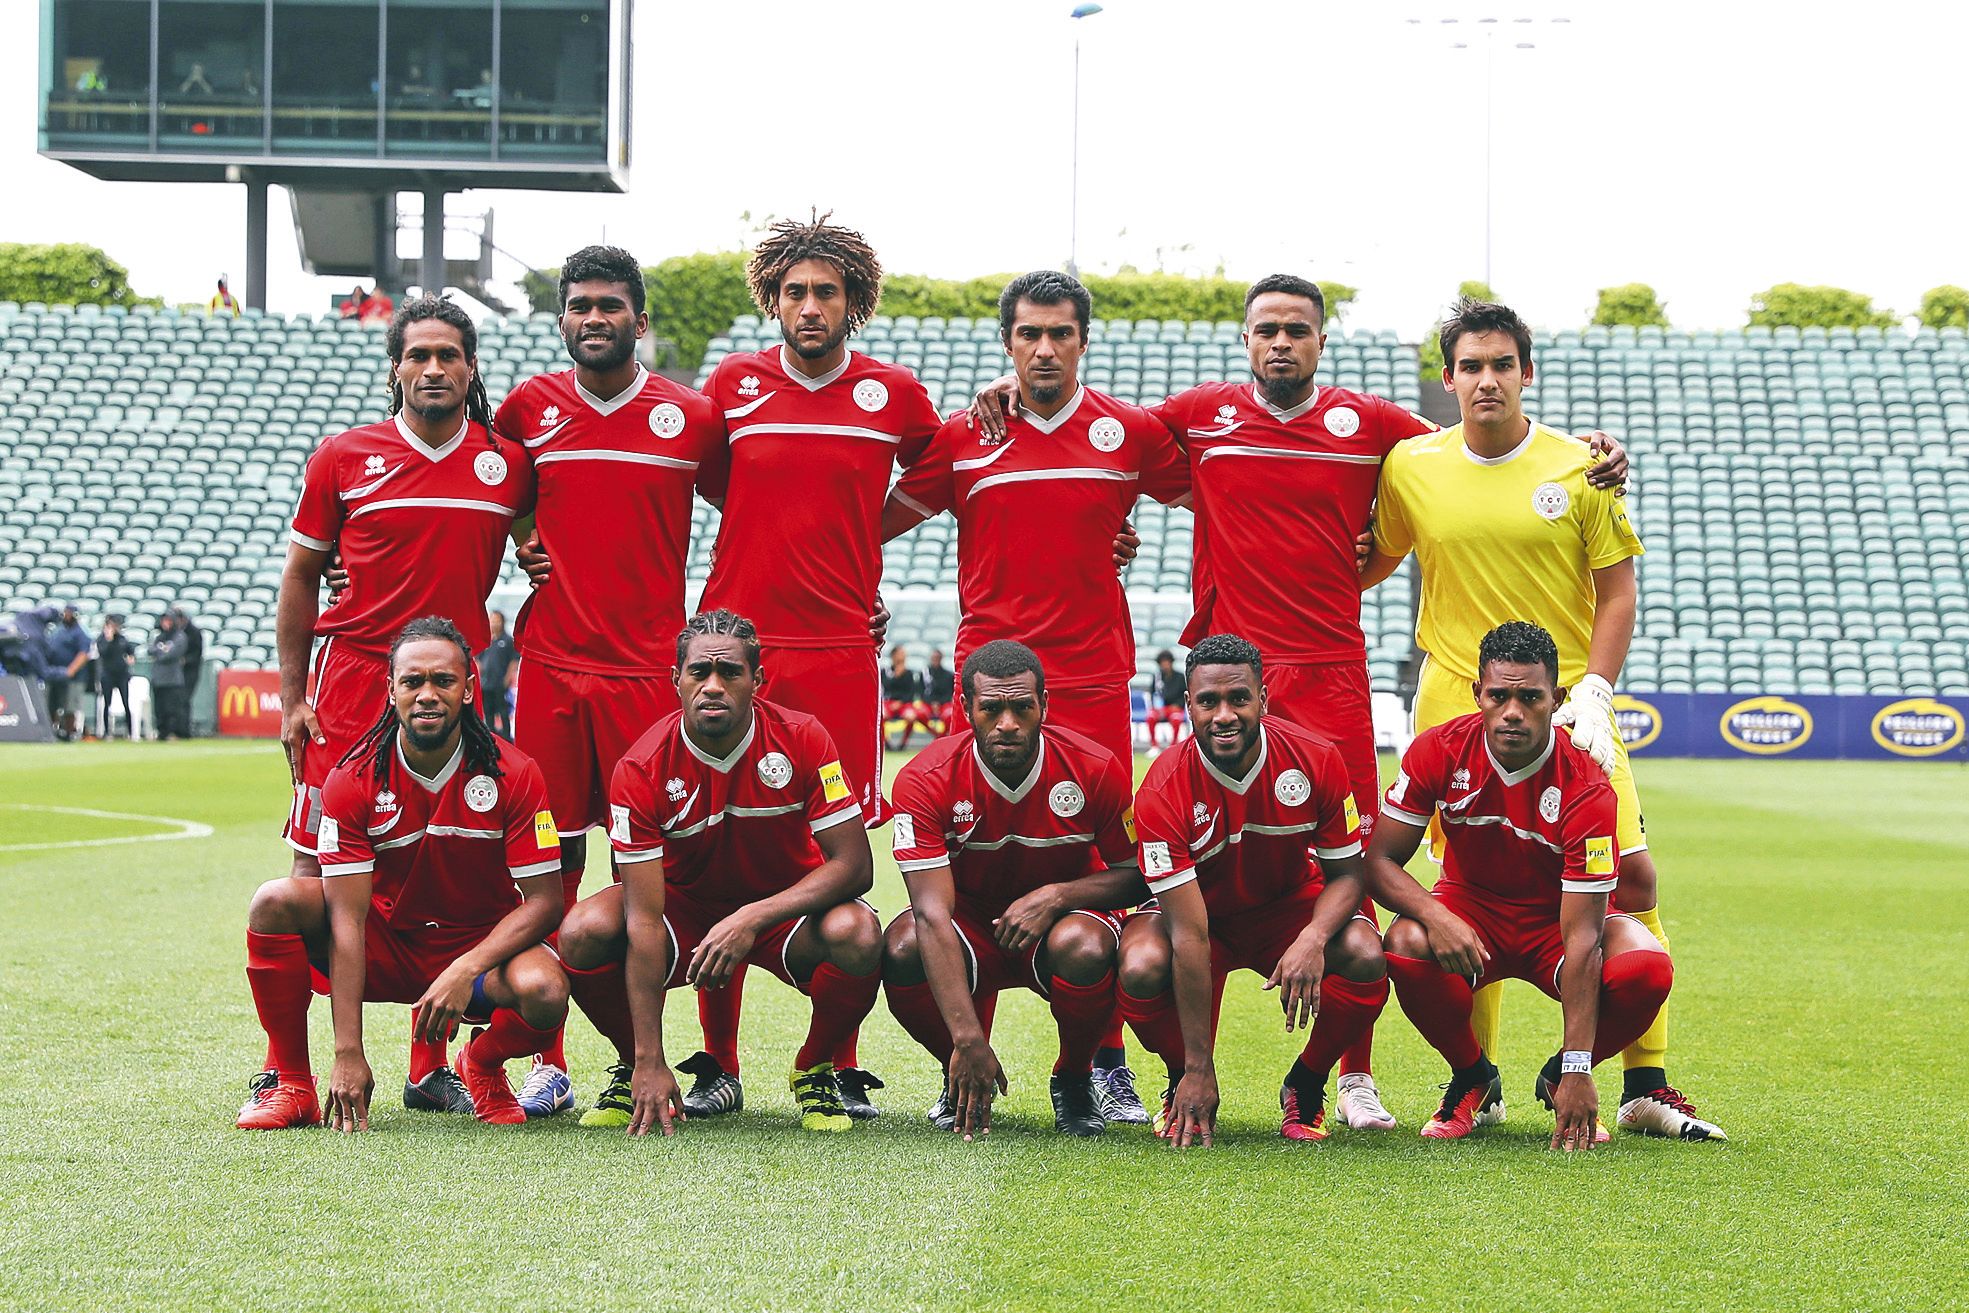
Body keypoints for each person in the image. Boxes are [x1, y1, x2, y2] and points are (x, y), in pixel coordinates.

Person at [974, 273, 1629, 1132]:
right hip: (1226, 679)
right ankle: (1160, 1067)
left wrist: (1593, 453)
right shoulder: (1195, 415)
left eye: (1296, 329)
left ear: (1320, 341)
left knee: (1348, 869)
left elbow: (1478, 446)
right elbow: (1094, 433)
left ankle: (1350, 1074)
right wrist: (1009, 395)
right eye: (1265, 330)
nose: (1280, 341)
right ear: (1244, 341)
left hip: (1328, 675)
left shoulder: (1374, 428)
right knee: (1182, 859)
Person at [1360, 298, 1723, 1141]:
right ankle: (1472, 1082)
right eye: (1471, 365)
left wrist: (1595, 688)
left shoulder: (1582, 467)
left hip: (1567, 702)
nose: (1487, 379)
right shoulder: (1410, 465)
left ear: (1525, 372)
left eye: (1502, 364)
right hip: (1454, 695)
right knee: (1458, 887)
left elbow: (1617, 590)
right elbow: (1367, 560)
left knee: (1630, 879)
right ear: (1447, 378)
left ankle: (1643, 1082)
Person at [881, 269, 1191, 1121]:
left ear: (1084, 339)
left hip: (1090, 678)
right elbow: (863, 523)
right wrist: (848, 601)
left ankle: (1096, 1063)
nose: (1044, 348)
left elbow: (1224, 496)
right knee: (969, 865)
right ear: (1007, 342)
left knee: (1097, 871)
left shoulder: (1127, 434)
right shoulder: (963, 437)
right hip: (988, 681)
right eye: (1028, 334)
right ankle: (963, 1061)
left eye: (1060, 333)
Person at [688, 213, 942, 1115]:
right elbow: (713, 478)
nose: (808, 306)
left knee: (835, 849)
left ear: (854, 302)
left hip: (838, 650)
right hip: (736, 650)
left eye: (825, 292)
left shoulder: (893, 395)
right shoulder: (732, 385)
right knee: (715, 842)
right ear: (771, 299)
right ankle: (717, 1064)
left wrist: (855, 543)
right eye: (793, 291)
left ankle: (828, 1058)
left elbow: (946, 471)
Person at [277, 294, 535, 1116]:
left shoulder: (507, 464)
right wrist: (290, 697)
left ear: (470, 367)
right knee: (314, 875)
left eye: (448, 355)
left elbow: (543, 558)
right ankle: (293, 1073)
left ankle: (432, 1066)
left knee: (451, 870)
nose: (433, 368)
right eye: (417, 354)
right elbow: (299, 577)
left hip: (451, 693)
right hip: (352, 683)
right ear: (395, 367)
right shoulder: (344, 457)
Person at [495, 244, 726, 1118]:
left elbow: (754, 510)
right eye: (580, 306)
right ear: (563, 319)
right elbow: (487, 482)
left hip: (645, 673)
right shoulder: (528, 408)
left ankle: (683, 1057)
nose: (595, 318)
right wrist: (523, 537)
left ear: (640, 317)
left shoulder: (690, 417)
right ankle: (546, 1056)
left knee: (656, 872)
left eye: (611, 305)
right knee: (547, 862)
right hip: (551, 669)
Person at [235, 616, 569, 1130]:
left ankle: (480, 1064)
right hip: (383, 947)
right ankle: (294, 1084)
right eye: (413, 682)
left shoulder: (514, 772)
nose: (428, 695)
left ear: (469, 688)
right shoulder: (353, 779)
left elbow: (546, 901)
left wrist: (463, 970)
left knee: (546, 990)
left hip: (475, 951)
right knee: (275, 900)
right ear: (390, 690)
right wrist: (349, 1051)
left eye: (443, 681)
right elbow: (346, 916)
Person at [556, 610, 882, 1135]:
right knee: (583, 930)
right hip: (682, 915)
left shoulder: (803, 737)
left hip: (784, 912)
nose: (713, 686)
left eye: (730, 673)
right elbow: (642, 915)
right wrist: (649, 1054)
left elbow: (854, 865)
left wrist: (752, 917)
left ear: (758, 680)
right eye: (698, 673)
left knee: (860, 934)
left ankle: (814, 1067)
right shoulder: (640, 768)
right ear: (676, 680)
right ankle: (634, 1067)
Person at [1364, 621, 1681, 1148]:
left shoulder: (1587, 783)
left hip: (1553, 921)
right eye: (1499, 695)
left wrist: (1580, 1066)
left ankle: (1559, 1077)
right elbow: (1378, 861)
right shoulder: (1437, 749)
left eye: (1530, 697)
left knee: (1646, 969)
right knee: (1405, 944)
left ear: (1556, 699)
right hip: (1470, 911)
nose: (1512, 711)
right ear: (1477, 695)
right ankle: (1471, 1076)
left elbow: (1582, 937)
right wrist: (1437, 915)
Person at [1121, 634, 1387, 1146]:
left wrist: (1312, 938)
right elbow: (1189, 933)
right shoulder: (1161, 789)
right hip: (1200, 919)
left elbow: (1349, 875)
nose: (1224, 715)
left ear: (1263, 699)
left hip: (1287, 909)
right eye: (1208, 702)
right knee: (1139, 965)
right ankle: (1182, 1080)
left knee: (1365, 953)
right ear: (1188, 705)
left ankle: (1305, 1082)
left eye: (1238, 699)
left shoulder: (1316, 758)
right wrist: (1198, 1064)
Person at [884, 641, 1143, 1138]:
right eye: (991, 708)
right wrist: (966, 1038)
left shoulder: (1095, 767)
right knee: (902, 947)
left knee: (1088, 947)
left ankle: (1074, 1077)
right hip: (969, 925)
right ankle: (959, 1072)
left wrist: (1057, 897)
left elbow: (1138, 872)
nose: (1007, 723)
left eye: (1022, 707)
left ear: (1044, 705)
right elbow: (932, 915)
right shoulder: (924, 779)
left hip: (1063, 924)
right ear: (966, 710)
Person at [43, 605, 91, 741]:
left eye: (69, 613)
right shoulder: (58, 631)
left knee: (70, 706)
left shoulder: (80, 633)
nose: (66, 615)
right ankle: (51, 731)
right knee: (51, 704)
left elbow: (83, 654)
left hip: (73, 677)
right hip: (55, 674)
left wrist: (71, 670)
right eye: (65, 613)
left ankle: (69, 732)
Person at [148, 612, 191, 739]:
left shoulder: (180, 636)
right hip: (158, 678)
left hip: (172, 679)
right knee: (159, 709)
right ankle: (162, 732)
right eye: (164, 621)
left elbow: (172, 653)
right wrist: (162, 649)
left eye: (168, 621)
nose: (166, 624)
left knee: (172, 708)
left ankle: (173, 732)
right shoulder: (160, 637)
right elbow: (150, 650)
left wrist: (160, 651)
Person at [476, 609, 516, 739]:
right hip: (486, 683)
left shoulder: (508, 640)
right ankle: (490, 736)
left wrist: (507, 677)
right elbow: (478, 659)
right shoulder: (486, 640)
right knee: (488, 712)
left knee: (503, 711)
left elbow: (514, 660)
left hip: (500, 682)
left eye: (497, 620)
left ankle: (506, 737)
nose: (494, 623)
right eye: (492, 620)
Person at [881, 644, 931, 749]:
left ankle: (903, 743)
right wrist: (896, 676)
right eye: (900, 653)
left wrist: (901, 702)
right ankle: (887, 743)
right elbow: (885, 688)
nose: (903, 656)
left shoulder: (908, 673)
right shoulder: (885, 672)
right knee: (882, 715)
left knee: (911, 716)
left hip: (904, 703)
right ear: (893, 656)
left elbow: (911, 692)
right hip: (888, 702)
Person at [96, 614, 137, 740]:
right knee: (106, 703)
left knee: (126, 703)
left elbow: (130, 650)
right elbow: (103, 652)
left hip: (122, 675)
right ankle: (107, 732)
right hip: (108, 674)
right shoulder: (102, 639)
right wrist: (108, 639)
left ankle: (130, 731)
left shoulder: (122, 639)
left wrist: (131, 657)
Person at [1149, 649, 1187, 747]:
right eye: (1162, 663)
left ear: (1171, 662)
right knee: (1150, 717)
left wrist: (1178, 705)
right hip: (1160, 708)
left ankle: (1173, 744)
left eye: (1167, 662)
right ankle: (1154, 745)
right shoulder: (1157, 677)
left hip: (1175, 708)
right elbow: (1153, 694)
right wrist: (1156, 707)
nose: (1165, 665)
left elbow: (1184, 695)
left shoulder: (1180, 676)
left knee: (1176, 719)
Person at [924, 648, 955, 735]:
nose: (935, 660)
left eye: (937, 658)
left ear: (941, 659)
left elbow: (950, 693)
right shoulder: (924, 674)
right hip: (928, 704)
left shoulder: (949, 675)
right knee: (920, 713)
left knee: (950, 714)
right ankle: (936, 734)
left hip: (944, 704)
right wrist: (932, 702)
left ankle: (941, 736)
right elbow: (922, 692)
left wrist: (939, 703)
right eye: (934, 658)